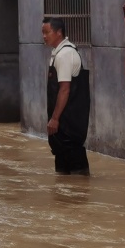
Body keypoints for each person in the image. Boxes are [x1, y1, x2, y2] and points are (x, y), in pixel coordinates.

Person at [41, 17, 91, 175]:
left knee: (76, 173)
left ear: (58, 32)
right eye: (42, 32)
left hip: (70, 122)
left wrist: (55, 118)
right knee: (63, 179)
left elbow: (64, 89)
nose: (44, 36)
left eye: (47, 32)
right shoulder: (58, 53)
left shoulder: (64, 54)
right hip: (64, 124)